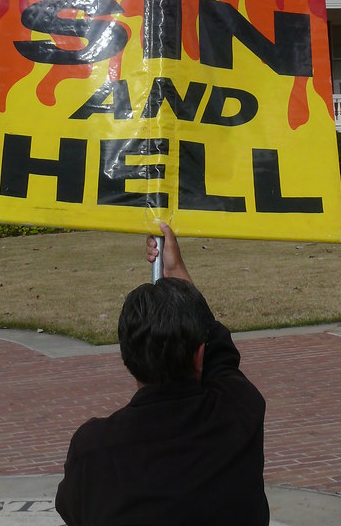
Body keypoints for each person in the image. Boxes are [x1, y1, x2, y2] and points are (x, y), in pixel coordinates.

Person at [55, 222, 269, 526]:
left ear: (126, 355)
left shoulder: (92, 450)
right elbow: (221, 356)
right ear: (199, 355)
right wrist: (178, 270)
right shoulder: (239, 414)